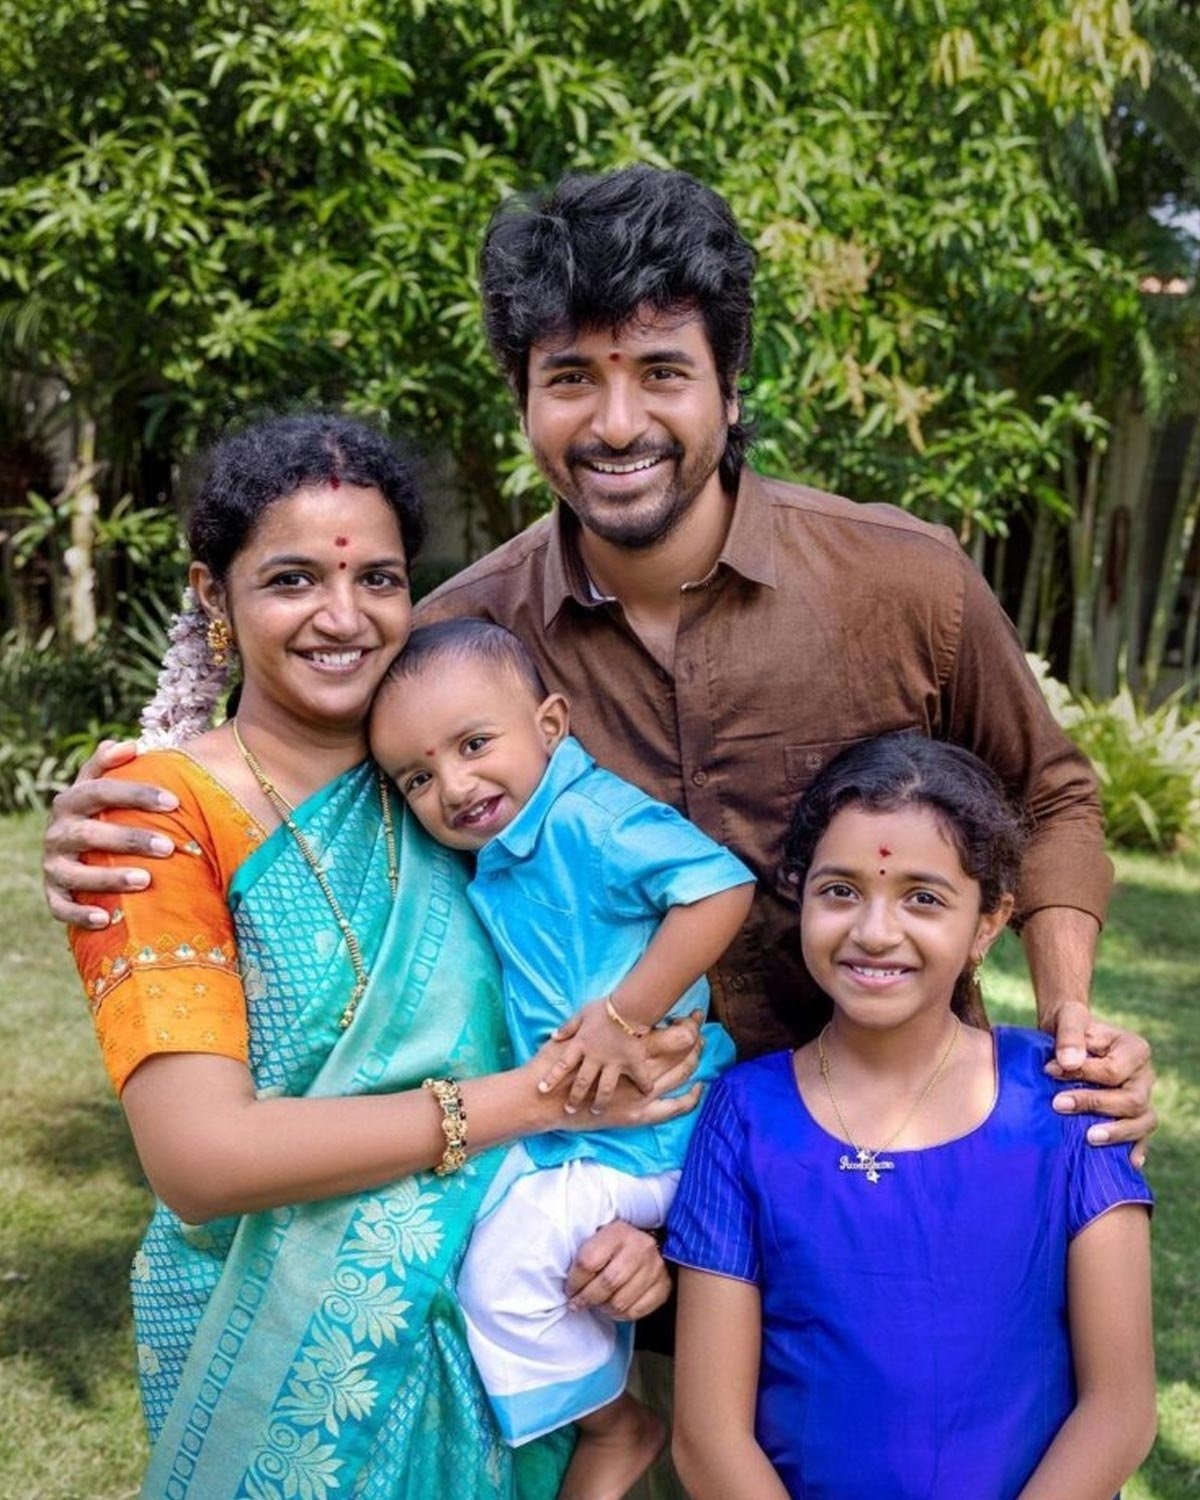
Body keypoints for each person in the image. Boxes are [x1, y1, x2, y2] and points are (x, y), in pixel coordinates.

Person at [42, 163, 1155, 1150]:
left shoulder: (902, 581)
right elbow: (301, 789)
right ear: (525, 400)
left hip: (902, 1147)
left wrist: (1070, 1018)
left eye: (662, 372)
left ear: (729, 386)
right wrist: (118, 824)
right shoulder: (459, 648)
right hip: (598, 1197)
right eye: (572, 377)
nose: (617, 423)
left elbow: (1050, 796)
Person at [64, 414, 702, 1499]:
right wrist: (540, 1101)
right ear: (214, 596)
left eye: (380, 579)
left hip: (498, 1315)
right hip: (269, 1342)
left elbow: (607, 981)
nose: (343, 616)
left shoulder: (457, 786)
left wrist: (620, 1218)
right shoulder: (156, 819)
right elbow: (202, 1161)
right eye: (292, 580)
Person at [667, 734, 1156, 1500]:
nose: (874, 931)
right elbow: (707, 1437)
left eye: (922, 898)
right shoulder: (744, 1117)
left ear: (989, 922)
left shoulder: (1069, 1104)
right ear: (800, 895)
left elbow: (1120, 1410)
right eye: (840, 890)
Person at [368, 618, 754, 1497]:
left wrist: (624, 1015)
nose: (454, 786)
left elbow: (720, 887)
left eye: (474, 745)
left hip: (650, 1134)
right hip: (574, 1131)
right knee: (448, 1231)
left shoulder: (588, 820)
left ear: (550, 725)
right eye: (418, 778)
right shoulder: (503, 846)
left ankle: (614, 1430)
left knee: (504, 1272)